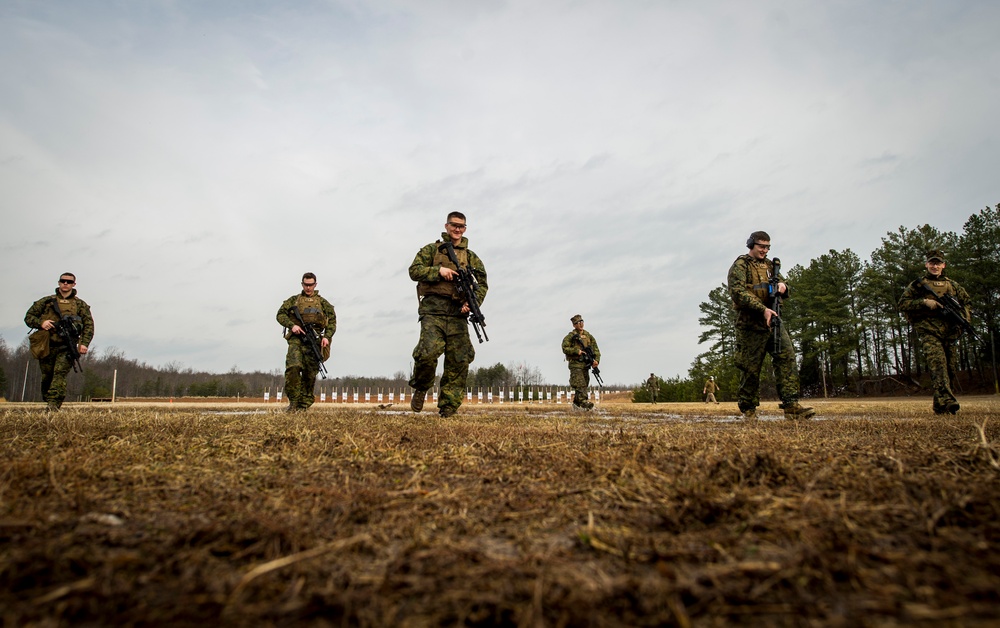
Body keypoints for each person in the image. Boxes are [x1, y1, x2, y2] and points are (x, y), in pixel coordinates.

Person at [408, 212, 488, 417]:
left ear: (465, 229)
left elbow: (482, 285)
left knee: (459, 359)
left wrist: (472, 304)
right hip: (433, 311)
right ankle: (421, 386)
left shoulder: (471, 257)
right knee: (427, 354)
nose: (457, 229)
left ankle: (449, 406)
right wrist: (438, 271)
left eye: (462, 226)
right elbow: (414, 271)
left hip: (457, 314)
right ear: (446, 226)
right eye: (454, 225)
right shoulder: (431, 250)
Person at [727, 231, 814, 420]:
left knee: (787, 358)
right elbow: (738, 293)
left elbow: (783, 283)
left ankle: (791, 405)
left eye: (767, 247)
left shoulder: (769, 266)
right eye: (761, 246)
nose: (764, 250)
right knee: (750, 368)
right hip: (750, 325)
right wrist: (762, 310)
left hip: (773, 322)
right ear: (751, 244)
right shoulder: (740, 266)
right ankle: (748, 410)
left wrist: (784, 287)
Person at [898, 249, 971, 415]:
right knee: (938, 365)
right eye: (932, 263)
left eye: (938, 263)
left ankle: (940, 405)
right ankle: (948, 401)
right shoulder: (918, 285)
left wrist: (964, 319)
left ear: (943, 265)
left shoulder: (953, 286)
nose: (935, 266)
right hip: (929, 331)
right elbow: (902, 303)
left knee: (950, 368)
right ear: (926, 264)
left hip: (950, 332)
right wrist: (924, 302)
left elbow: (967, 302)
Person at [24, 272, 95, 410]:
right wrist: (41, 322)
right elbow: (29, 317)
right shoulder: (46, 302)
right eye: (63, 281)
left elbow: (89, 325)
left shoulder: (80, 305)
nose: (65, 284)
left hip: (66, 346)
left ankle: (53, 405)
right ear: (59, 283)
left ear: (74, 284)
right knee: (47, 376)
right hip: (47, 345)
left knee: (59, 375)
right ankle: (48, 399)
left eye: (69, 282)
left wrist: (84, 343)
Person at [276, 272, 336, 412]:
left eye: (311, 285)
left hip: (314, 341)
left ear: (315, 285)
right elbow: (280, 315)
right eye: (305, 284)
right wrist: (292, 326)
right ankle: (294, 403)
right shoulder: (294, 301)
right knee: (294, 367)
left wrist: (326, 336)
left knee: (310, 373)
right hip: (297, 339)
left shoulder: (323, 303)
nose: (308, 288)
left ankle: (303, 405)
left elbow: (332, 321)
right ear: (302, 284)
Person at [562, 315, 600, 410]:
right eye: (578, 323)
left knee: (585, 383)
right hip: (575, 364)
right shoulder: (570, 336)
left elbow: (595, 349)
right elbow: (564, 348)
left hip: (585, 364)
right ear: (574, 325)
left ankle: (576, 404)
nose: (581, 324)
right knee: (580, 383)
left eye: (582, 322)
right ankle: (584, 403)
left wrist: (596, 360)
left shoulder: (588, 336)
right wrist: (576, 351)